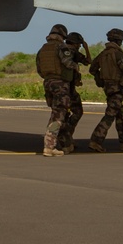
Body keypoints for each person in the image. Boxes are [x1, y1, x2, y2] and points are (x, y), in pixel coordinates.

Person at [36, 25, 88, 157]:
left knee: (57, 113)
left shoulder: (42, 49)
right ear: (63, 36)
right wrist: (76, 68)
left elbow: (40, 70)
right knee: (58, 115)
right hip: (60, 84)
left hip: (48, 83)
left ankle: (65, 142)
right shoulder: (61, 47)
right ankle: (49, 146)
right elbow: (67, 62)